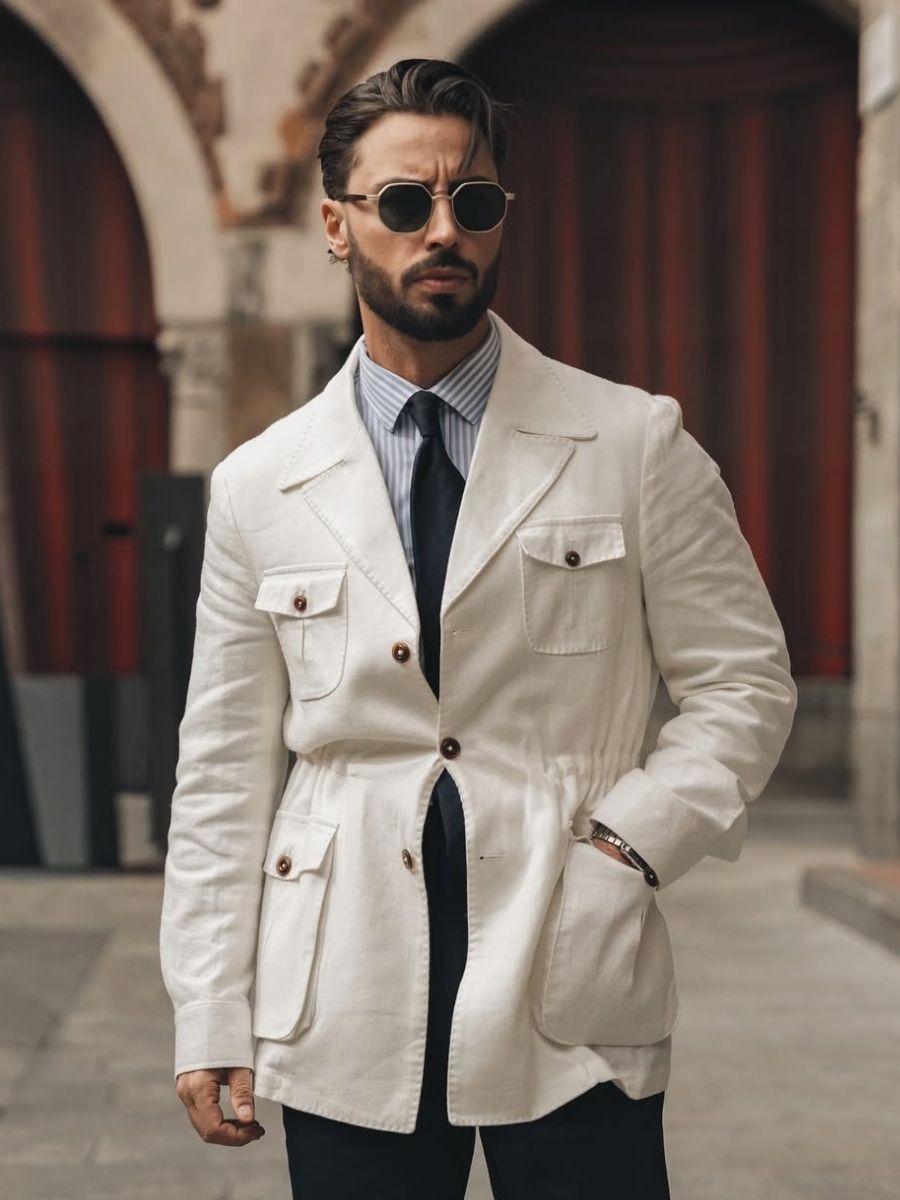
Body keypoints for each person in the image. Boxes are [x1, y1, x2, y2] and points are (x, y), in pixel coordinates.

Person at [160, 57, 797, 1199]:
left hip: (570, 950)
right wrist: (209, 1003)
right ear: (338, 226)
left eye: (477, 201)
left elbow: (744, 683)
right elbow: (220, 769)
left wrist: (630, 843)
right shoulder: (260, 484)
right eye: (405, 203)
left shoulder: (631, 442)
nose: (443, 229)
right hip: (344, 973)